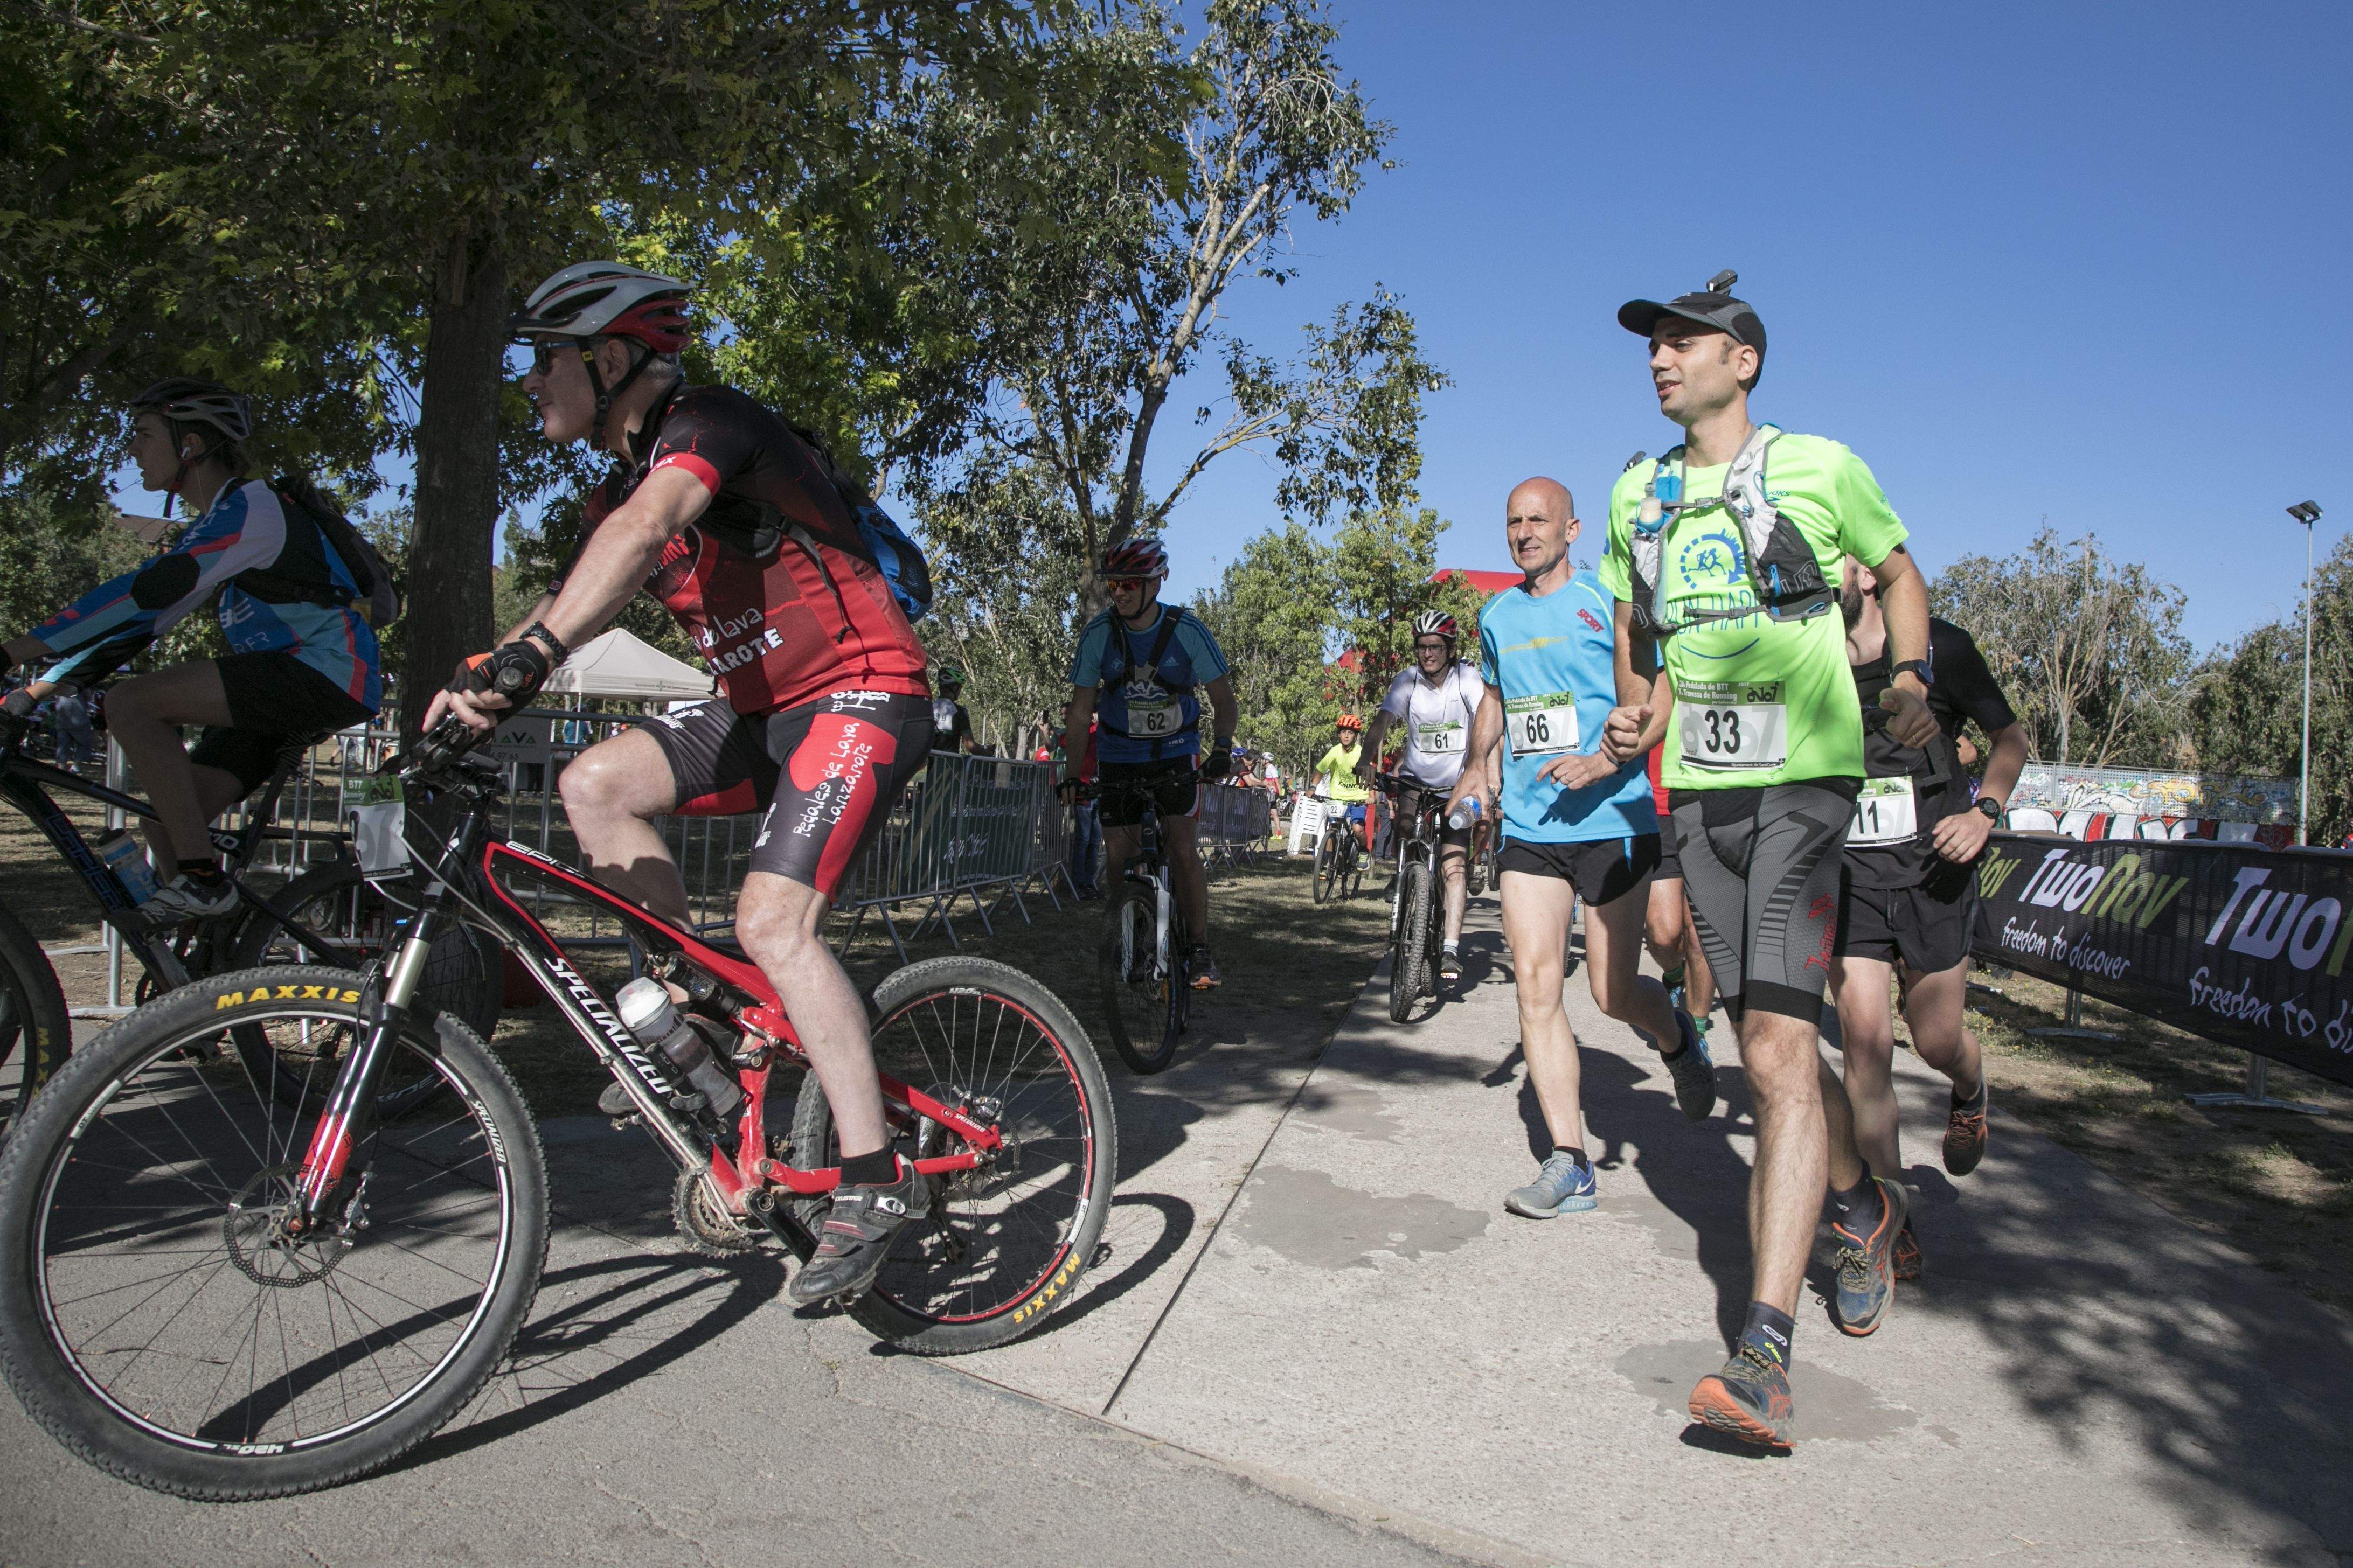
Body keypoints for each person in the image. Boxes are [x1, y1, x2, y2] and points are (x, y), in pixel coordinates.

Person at [426, 262, 935, 1308]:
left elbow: (649, 527)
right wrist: (476, 681)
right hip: (761, 711)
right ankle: (691, 1007)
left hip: (862, 691)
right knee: (595, 785)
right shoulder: (608, 494)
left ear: (610, 357)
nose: (530, 382)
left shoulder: (710, 422)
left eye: (545, 359)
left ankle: (875, 1176)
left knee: (771, 923)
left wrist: (526, 664)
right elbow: (574, 598)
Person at [1596, 276, 1941, 1447]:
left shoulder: (1821, 466)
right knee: (1761, 1043)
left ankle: (1762, 1357)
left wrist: (1907, 677)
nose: (1658, 358)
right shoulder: (1635, 493)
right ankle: (1860, 1202)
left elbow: (1900, 573)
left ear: (1740, 361)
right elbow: (1637, 628)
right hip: (1701, 796)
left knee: (1776, 1052)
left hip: (1803, 785)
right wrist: (1636, 713)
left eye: (1679, 341)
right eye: (1651, 345)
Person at [3, 378, 383, 923]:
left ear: (191, 445)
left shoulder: (253, 506)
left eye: (143, 434)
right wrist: (35, 691)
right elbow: (146, 620)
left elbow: (143, 591)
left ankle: (203, 883)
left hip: (327, 672)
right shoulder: (214, 526)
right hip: (285, 684)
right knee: (167, 820)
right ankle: (213, 955)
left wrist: (12, 651)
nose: (132, 449)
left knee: (131, 702)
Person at [1447, 478, 1715, 1223]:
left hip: (1612, 819)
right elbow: (1494, 698)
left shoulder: (1607, 600)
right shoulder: (1495, 615)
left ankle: (1676, 1038)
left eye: (1538, 519)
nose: (1523, 531)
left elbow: (1658, 695)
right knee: (1535, 989)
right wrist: (1475, 763)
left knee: (1611, 992)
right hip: (1532, 829)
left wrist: (1606, 761)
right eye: (1512, 520)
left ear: (1571, 530)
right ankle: (1568, 1159)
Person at [1828, 553, 2027, 1281]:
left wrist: (1983, 812)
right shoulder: (1807, 654)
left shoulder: (1939, 647)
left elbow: (2009, 737)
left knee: (1935, 1039)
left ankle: (1969, 1087)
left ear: (1869, 575)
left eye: (1830, 556)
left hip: (1934, 873)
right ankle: (1890, 1216)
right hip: (1850, 880)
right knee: (1864, 1048)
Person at [1059, 537, 1238, 988]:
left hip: (1176, 752)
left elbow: (1223, 699)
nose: (1118, 593)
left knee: (1181, 847)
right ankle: (1131, 934)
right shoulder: (1099, 634)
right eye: (1113, 584)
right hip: (1119, 755)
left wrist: (1221, 749)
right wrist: (1071, 775)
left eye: (1129, 584)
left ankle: (1198, 948)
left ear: (1156, 582)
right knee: (1119, 853)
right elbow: (1079, 712)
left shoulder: (1186, 630)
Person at [1358, 610, 1486, 981]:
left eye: (1435, 647)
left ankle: (1450, 950)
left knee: (1454, 865)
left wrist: (1485, 774)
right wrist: (1366, 759)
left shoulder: (1466, 678)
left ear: (1450, 649)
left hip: (1456, 784)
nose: (1427, 653)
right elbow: (1381, 722)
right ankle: (1406, 877)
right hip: (1416, 779)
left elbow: (1484, 721)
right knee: (1403, 827)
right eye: (1421, 647)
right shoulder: (1407, 681)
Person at [1644, 743, 1716, 1044]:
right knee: (1663, 934)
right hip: (1657, 811)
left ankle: (1695, 1033)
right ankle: (1676, 975)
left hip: (1712, 807)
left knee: (1702, 937)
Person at [1056, 711, 1103, 898]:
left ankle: (1090, 882)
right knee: (1083, 839)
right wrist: (1079, 723)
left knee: (1096, 839)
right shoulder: (1087, 730)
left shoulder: (1102, 730)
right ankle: (1078, 884)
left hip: (1100, 790)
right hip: (1084, 790)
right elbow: (1064, 741)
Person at [1311, 715, 1371, 852]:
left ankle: (1363, 851)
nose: (1346, 736)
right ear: (1339, 734)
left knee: (1357, 829)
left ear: (1355, 736)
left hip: (1358, 798)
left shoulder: (1361, 752)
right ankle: (1328, 861)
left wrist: (1371, 795)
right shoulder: (1335, 751)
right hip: (1338, 799)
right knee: (1333, 829)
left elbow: (1370, 774)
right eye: (1343, 732)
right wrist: (1313, 788)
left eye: (1350, 733)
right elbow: (1321, 769)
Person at [932, 665, 977, 754]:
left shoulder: (929, 708)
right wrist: (988, 753)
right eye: (960, 688)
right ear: (955, 688)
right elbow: (970, 745)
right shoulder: (959, 712)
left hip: (928, 761)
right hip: (950, 762)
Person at [50, 687, 95, 766]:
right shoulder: (81, 684)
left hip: (62, 719)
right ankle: (75, 768)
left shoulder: (60, 684)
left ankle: (61, 768)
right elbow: (90, 697)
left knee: (62, 745)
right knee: (84, 743)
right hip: (78, 718)